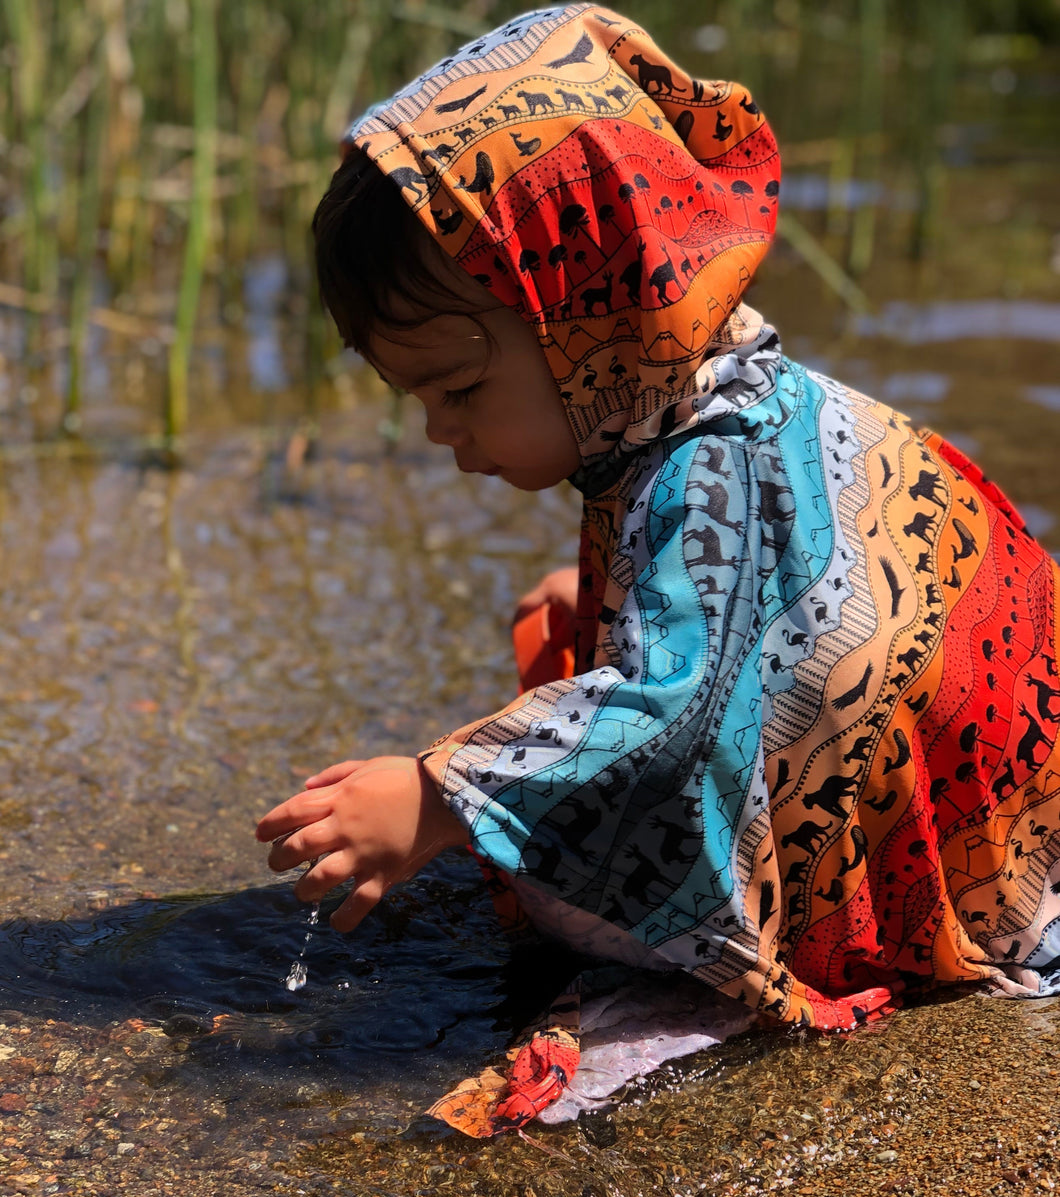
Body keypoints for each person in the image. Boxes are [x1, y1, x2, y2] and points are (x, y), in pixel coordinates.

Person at [255, 4, 1060, 1135]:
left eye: (460, 390)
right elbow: (763, 592)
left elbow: (675, 722)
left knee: (571, 863)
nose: (441, 432)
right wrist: (613, 604)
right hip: (1002, 776)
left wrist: (439, 796)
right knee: (563, 670)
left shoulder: (707, 473)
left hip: (963, 872)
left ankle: (740, 971)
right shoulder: (722, 395)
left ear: (599, 316)